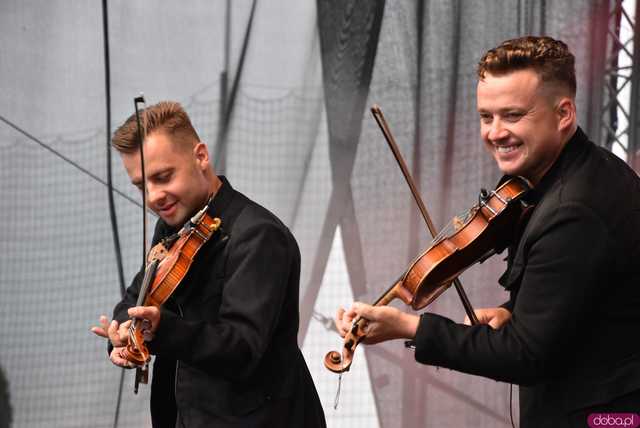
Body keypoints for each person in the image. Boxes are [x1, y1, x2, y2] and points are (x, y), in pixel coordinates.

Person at [335, 36, 640, 427]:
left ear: (563, 114)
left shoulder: (573, 211)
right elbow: (587, 295)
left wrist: (408, 326)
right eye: (486, 116)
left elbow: (524, 356)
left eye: (512, 115)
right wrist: (512, 312)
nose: (495, 133)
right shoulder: (574, 173)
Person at [91, 101, 326, 428]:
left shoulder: (258, 235)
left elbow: (241, 349)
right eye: (142, 185)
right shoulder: (171, 230)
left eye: (163, 177)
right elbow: (135, 299)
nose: (154, 196)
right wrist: (122, 332)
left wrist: (163, 329)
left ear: (200, 156)